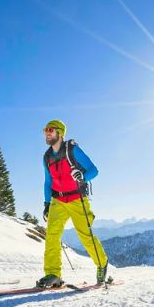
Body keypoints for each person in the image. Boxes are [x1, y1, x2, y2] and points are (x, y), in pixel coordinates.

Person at [38, 119, 109, 288]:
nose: (47, 133)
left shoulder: (73, 150)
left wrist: (83, 176)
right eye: (45, 131)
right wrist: (47, 204)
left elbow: (94, 170)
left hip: (77, 199)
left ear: (60, 133)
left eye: (50, 130)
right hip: (58, 200)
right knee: (52, 236)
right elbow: (48, 181)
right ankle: (53, 274)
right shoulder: (47, 157)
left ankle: (102, 263)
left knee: (85, 234)